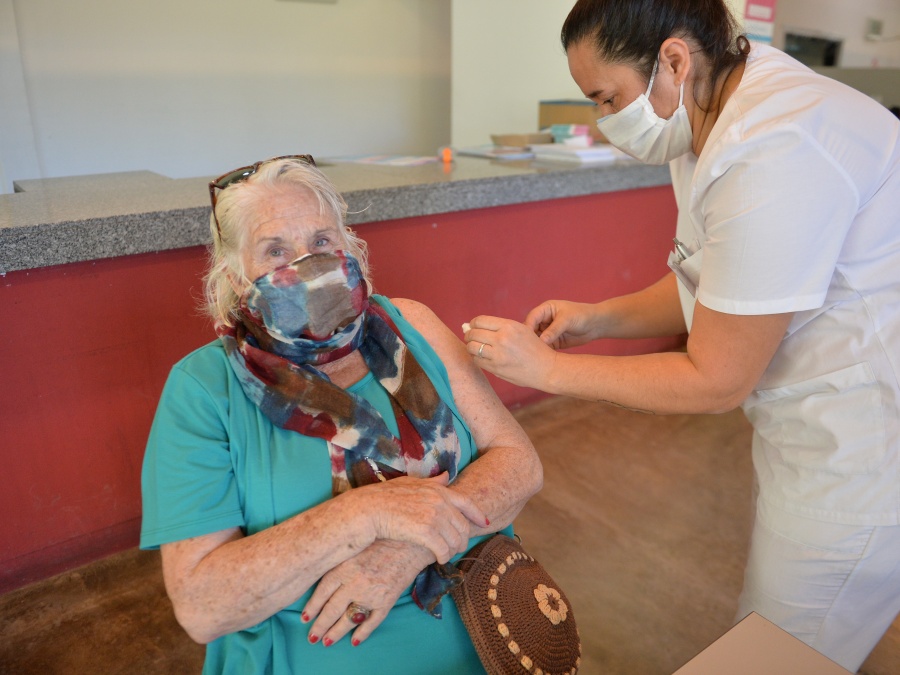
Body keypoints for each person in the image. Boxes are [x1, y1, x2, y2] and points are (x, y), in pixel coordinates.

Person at [463, 0, 900, 670]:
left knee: (779, 646)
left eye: (607, 97)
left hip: (865, 450)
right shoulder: (703, 119)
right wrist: (597, 317)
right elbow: (719, 285)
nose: (604, 121)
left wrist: (548, 372)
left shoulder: (774, 145)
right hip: (811, 423)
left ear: (673, 60)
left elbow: (716, 376)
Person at [140, 155, 543, 674]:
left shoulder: (413, 327)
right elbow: (202, 606)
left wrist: (405, 551)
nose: (308, 264)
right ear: (238, 281)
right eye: (275, 250)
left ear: (350, 246)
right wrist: (364, 514)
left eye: (322, 242)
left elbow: (518, 461)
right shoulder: (203, 389)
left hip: (489, 627)